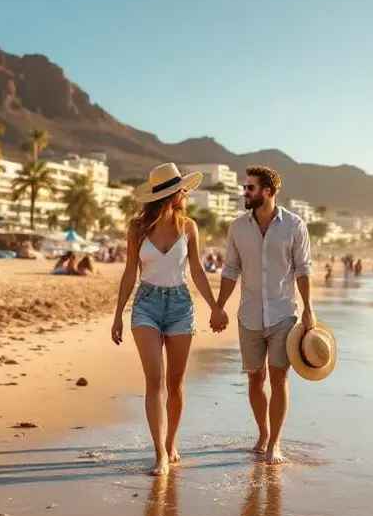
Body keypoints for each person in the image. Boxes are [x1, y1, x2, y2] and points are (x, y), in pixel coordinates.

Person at [112, 163, 217, 477]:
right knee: (155, 380)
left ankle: (171, 443)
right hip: (146, 304)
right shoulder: (137, 228)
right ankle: (159, 455)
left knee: (175, 384)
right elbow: (130, 272)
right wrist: (118, 314)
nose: (186, 194)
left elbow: (197, 270)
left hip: (180, 305)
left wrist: (215, 306)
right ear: (172, 194)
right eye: (182, 190)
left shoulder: (189, 227)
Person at [213, 166, 313, 466]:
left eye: (251, 188)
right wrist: (219, 306)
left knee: (279, 378)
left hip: (284, 314)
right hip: (249, 315)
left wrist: (309, 309)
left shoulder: (295, 226)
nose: (246, 192)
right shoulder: (237, 228)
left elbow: (303, 269)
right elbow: (231, 270)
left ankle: (275, 442)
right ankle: (263, 433)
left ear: (268, 191)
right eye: (246, 187)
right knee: (255, 378)